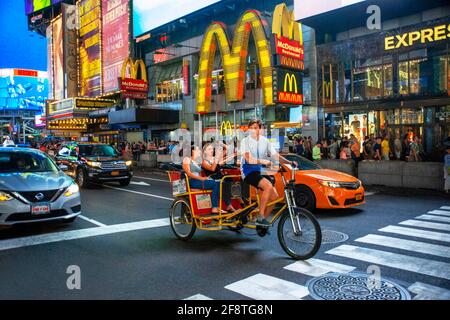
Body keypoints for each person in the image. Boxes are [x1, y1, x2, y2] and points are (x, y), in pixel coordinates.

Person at [240, 119, 296, 228]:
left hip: (259, 171)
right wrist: (263, 161)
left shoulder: (264, 141)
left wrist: (289, 162)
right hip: (248, 172)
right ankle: (260, 216)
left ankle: (262, 223)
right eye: (251, 128)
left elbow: (276, 156)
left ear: (260, 129)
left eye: (255, 128)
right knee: (268, 186)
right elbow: (248, 158)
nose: (253, 130)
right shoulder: (245, 141)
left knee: (274, 198)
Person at [183, 145, 222, 214]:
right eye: (198, 150)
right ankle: (214, 208)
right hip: (192, 181)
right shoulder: (187, 159)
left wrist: (204, 179)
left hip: (199, 181)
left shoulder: (198, 161)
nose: (200, 151)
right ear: (193, 151)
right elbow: (188, 173)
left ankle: (216, 206)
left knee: (219, 183)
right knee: (215, 184)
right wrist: (201, 178)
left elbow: (201, 172)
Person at [202, 142, 237, 212]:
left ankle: (237, 203)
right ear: (204, 151)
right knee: (223, 182)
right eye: (209, 149)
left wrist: (222, 144)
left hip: (220, 177)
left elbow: (226, 150)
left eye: (212, 149)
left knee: (230, 180)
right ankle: (226, 205)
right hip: (212, 178)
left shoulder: (214, 158)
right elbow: (212, 169)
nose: (211, 150)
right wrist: (217, 158)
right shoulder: (204, 161)